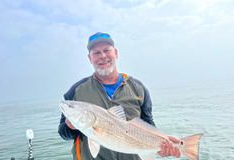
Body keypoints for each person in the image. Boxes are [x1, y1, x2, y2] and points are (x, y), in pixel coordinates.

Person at [58, 32, 181, 160]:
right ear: (90, 58)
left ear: (116, 53)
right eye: (96, 53)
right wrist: (70, 127)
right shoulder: (76, 91)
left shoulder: (138, 89)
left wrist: (164, 143)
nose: (103, 56)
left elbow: (148, 124)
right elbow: (63, 133)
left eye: (107, 50)